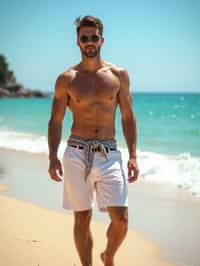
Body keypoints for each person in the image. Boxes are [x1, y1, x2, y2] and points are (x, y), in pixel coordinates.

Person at [48, 15, 139, 266]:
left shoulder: (118, 75)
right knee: (82, 218)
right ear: (77, 41)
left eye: (94, 37)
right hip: (77, 152)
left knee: (121, 219)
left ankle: (108, 255)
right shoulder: (67, 79)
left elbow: (128, 117)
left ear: (102, 39)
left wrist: (133, 155)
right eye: (84, 38)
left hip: (109, 152)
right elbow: (55, 121)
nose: (89, 42)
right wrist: (52, 157)